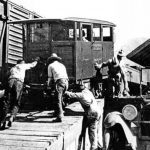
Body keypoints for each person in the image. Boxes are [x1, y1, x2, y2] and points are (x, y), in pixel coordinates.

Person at [64, 84, 101, 150]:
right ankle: (98, 146)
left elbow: (71, 95)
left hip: (92, 113)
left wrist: (64, 91)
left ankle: (94, 148)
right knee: (96, 131)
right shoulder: (88, 91)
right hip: (97, 111)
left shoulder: (81, 95)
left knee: (92, 133)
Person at [7, 57, 40, 127]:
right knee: (17, 101)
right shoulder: (23, 65)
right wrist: (36, 60)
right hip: (18, 82)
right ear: (22, 62)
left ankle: (3, 119)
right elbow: (32, 65)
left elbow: (7, 76)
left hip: (10, 81)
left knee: (8, 100)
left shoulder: (12, 68)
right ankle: (12, 117)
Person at [47, 53, 68, 122]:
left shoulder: (50, 65)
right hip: (66, 82)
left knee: (57, 99)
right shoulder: (62, 65)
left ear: (51, 60)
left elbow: (50, 77)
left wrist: (48, 85)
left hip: (59, 82)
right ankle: (58, 112)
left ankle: (60, 117)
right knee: (61, 97)